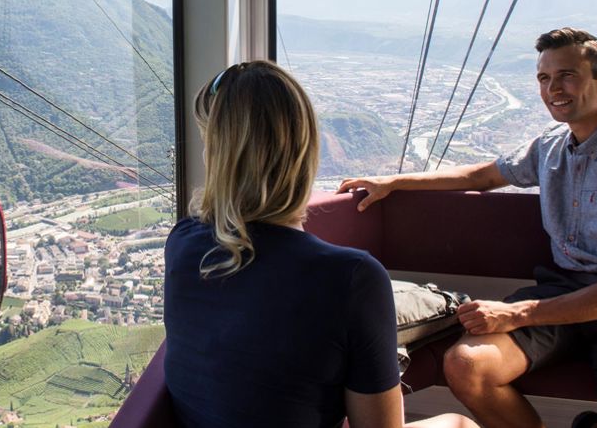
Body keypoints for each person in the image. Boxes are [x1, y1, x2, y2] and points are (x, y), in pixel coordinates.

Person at [339, 28, 597, 428]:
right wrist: (392, 183)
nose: (553, 89)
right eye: (544, 79)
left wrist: (517, 313)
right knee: (466, 364)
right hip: (566, 290)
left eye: (566, 75)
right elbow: (479, 176)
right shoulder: (550, 146)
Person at [165, 60, 476, 428]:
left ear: (218, 156)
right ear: (304, 150)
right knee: (459, 424)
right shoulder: (352, 278)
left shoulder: (182, 243)